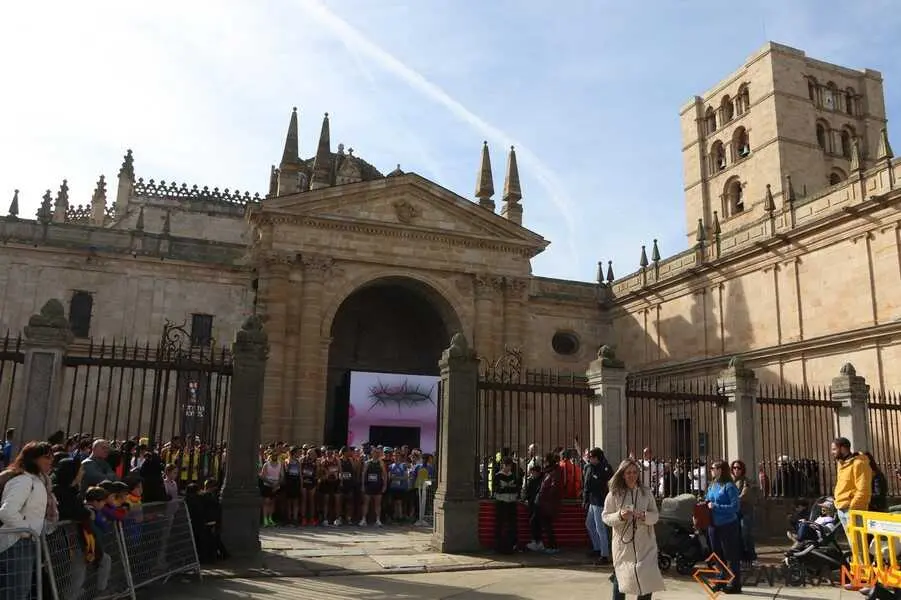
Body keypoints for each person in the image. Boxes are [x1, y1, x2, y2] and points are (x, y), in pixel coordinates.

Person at [601, 458, 665, 600]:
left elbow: (655, 515)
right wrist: (620, 516)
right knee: (621, 578)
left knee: (647, 578)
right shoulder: (614, 494)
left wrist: (644, 516)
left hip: (645, 544)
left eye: (635, 472)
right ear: (623, 474)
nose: (632, 475)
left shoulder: (646, 493)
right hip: (623, 546)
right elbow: (605, 517)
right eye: (628, 472)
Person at [0, 441, 53, 599]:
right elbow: (7, 512)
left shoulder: (37, 481)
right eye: (46, 457)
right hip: (16, 542)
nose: (50, 461)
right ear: (33, 458)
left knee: (21, 591)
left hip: (26, 542)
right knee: (15, 593)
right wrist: (27, 531)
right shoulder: (24, 481)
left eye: (51, 457)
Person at [705, 460, 743, 595]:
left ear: (720, 470)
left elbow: (735, 507)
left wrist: (716, 507)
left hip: (728, 524)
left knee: (730, 554)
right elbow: (707, 499)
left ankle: (734, 583)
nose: (711, 470)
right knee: (717, 554)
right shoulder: (712, 485)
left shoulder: (729, 486)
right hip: (713, 524)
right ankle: (720, 579)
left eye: (713, 468)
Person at [831, 437, 873, 531]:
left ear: (843, 448)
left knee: (858, 539)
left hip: (853, 509)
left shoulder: (859, 464)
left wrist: (853, 507)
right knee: (851, 540)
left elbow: (864, 489)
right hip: (841, 508)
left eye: (834, 449)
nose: (832, 452)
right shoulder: (841, 464)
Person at [583, 447, 612, 564]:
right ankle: (597, 547)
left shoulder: (605, 468)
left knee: (600, 528)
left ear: (597, 458)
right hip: (592, 500)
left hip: (599, 500)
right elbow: (587, 484)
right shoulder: (590, 467)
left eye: (592, 457)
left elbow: (604, 484)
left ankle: (604, 554)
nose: (590, 459)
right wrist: (585, 498)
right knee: (589, 524)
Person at [730, 459, 758, 565]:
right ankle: (740, 556)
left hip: (746, 511)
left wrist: (733, 500)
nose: (736, 470)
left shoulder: (746, 481)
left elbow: (744, 494)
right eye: (734, 468)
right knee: (736, 534)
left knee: (745, 533)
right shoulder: (730, 481)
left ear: (742, 469)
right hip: (734, 511)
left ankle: (751, 556)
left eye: (739, 468)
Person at [493, 457, 520, 554]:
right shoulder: (498, 476)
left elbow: (516, 489)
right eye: (507, 466)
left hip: (511, 502)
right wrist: (509, 488)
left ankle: (512, 545)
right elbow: (497, 490)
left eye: (510, 466)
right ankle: (498, 545)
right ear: (503, 465)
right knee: (500, 524)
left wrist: (505, 488)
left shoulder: (513, 476)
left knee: (512, 524)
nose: (508, 468)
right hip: (501, 502)